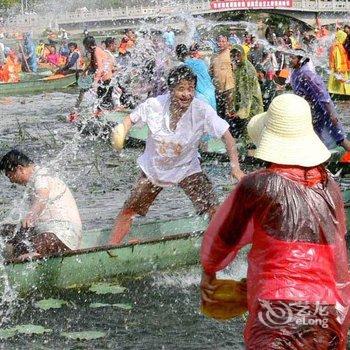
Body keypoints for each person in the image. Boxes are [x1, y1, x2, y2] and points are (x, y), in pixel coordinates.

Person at [200, 93, 350, 349]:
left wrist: (209, 273)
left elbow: (221, 240)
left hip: (277, 313)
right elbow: (339, 256)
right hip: (329, 314)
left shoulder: (257, 185)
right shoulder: (330, 186)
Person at [109, 66, 244, 245]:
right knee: (130, 210)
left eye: (190, 89)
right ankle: (112, 247)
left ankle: (222, 245)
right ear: (171, 89)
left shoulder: (201, 110)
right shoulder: (154, 105)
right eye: (181, 89)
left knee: (211, 206)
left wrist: (235, 168)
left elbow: (227, 137)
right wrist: (122, 132)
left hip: (187, 168)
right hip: (154, 169)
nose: (186, 94)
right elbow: (129, 120)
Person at [0, 150, 82, 258]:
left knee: (24, 247)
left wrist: (31, 215)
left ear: (20, 169)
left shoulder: (41, 175)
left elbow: (42, 196)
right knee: (5, 230)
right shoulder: (32, 183)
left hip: (64, 235)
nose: (11, 181)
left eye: (10, 176)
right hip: (47, 231)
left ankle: (23, 261)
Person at [289, 53, 350, 151]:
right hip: (313, 112)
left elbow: (323, 96)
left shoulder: (306, 74)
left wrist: (332, 114)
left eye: (292, 57)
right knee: (317, 140)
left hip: (323, 111)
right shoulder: (296, 73)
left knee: (340, 139)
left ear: (300, 59)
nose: (289, 59)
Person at [229, 45, 263, 139]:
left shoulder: (246, 70)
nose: (236, 58)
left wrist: (241, 112)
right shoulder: (240, 67)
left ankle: (251, 153)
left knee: (250, 137)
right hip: (245, 106)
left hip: (251, 108)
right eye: (234, 55)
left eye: (238, 55)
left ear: (243, 55)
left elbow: (247, 94)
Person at [176, 43, 216, 110]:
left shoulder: (183, 66)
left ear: (177, 55)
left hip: (200, 95)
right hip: (210, 93)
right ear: (188, 53)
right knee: (212, 116)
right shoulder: (201, 62)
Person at [83, 35, 115, 112]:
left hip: (106, 80)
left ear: (88, 45)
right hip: (104, 81)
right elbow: (92, 64)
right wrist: (84, 71)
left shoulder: (97, 51)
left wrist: (95, 82)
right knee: (101, 102)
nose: (85, 48)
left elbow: (100, 68)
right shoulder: (94, 51)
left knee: (104, 103)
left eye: (85, 46)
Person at [209, 35, 235, 119]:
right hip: (218, 88)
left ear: (227, 42)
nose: (221, 44)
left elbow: (236, 69)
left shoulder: (231, 53)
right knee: (220, 112)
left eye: (223, 41)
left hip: (229, 87)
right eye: (219, 41)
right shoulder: (214, 56)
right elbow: (210, 72)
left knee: (230, 111)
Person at [328, 30, 350, 96]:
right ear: (341, 37)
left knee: (336, 83)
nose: (344, 40)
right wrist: (338, 69)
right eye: (344, 38)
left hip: (334, 68)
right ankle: (341, 95)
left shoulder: (334, 45)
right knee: (341, 84)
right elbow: (337, 59)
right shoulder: (337, 47)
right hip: (339, 69)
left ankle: (335, 93)